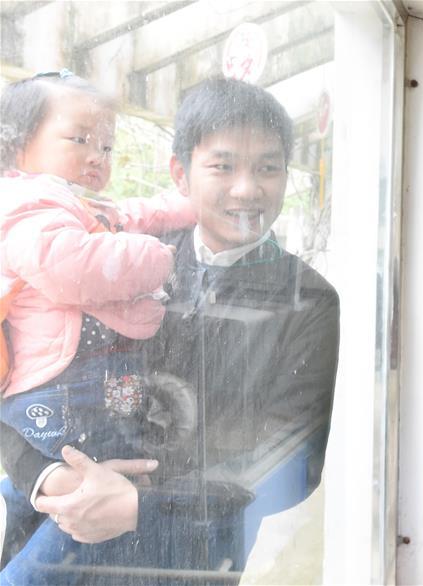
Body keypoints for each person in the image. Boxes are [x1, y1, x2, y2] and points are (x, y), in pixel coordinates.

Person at [0, 78, 340, 584]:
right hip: (54, 543)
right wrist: (48, 475)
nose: (247, 189)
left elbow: (294, 465)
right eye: (222, 166)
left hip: (183, 560)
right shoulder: (112, 258)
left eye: (268, 167)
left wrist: (142, 505)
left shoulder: (307, 298)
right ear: (180, 174)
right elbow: (16, 382)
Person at [0, 71, 195, 493]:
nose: (97, 156)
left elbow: (141, 213)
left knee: (103, 484)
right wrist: (156, 259)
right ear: (19, 146)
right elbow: (67, 267)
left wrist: (195, 203)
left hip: (96, 380)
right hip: (60, 390)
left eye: (106, 146)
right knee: (82, 498)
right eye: (80, 140)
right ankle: (32, 560)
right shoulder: (27, 204)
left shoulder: (76, 202)